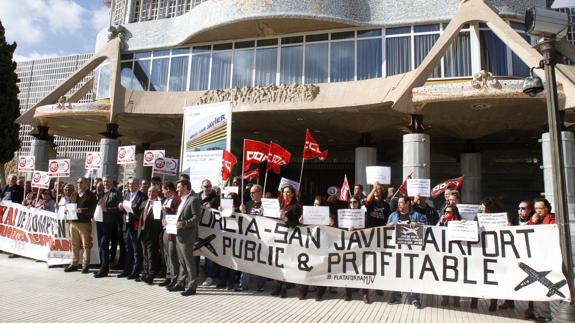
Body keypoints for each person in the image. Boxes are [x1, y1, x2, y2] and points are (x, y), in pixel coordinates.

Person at [387, 196, 427, 309]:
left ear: (408, 203)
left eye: (401, 202)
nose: (399, 205)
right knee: (396, 273)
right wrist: (389, 226)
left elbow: (428, 228)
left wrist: (418, 225)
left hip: (412, 251)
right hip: (396, 250)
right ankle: (396, 296)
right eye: (398, 203)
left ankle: (415, 298)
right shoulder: (393, 216)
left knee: (412, 274)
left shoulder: (417, 216)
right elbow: (384, 230)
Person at [168, 179, 202, 297]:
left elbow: (196, 218)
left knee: (189, 262)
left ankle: (192, 286)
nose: (177, 190)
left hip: (187, 235)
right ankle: (181, 282)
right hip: (178, 233)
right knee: (181, 261)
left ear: (185, 187)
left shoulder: (194, 199)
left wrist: (184, 223)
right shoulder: (183, 200)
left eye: (178, 187)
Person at [526, 198, 554, 322]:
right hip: (535, 257)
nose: (538, 211)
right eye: (536, 208)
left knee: (543, 286)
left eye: (540, 208)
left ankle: (544, 314)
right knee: (536, 287)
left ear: (547, 209)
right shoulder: (534, 220)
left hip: (546, 257)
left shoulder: (551, 220)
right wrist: (532, 222)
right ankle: (538, 313)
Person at [271, 185, 301, 298]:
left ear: (293, 194)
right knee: (278, 263)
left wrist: (285, 219)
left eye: (288, 192)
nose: (286, 194)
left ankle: (284, 288)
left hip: (288, 239)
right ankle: (278, 286)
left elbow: (294, 224)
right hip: (277, 237)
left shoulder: (295, 207)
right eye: (284, 192)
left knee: (285, 264)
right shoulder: (280, 205)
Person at [237, 184, 266, 292]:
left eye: (253, 192)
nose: (251, 195)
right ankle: (243, 284)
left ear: (260, 193)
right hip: (249, 237)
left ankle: (260, 285)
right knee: (246, 261)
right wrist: (242, 212)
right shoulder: (248, 204)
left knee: (261, 262)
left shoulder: (266, 205)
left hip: (263, 238)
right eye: (250, 193)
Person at [65, 178, 97, 273]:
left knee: (86, 245)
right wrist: (66, 210)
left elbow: (92, 210)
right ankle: (74, 263)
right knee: (74, 244)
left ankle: (85, 265)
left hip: (84, 223)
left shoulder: (91, 195)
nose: (79, 184)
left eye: (81, 182)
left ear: (86, 183)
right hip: (73, 222)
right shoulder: (74, 194)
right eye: (78, 182)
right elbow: (70, 205)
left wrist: (82, 210)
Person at [118, 177, 146, 280]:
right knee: (127, 248)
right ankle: (127, 269)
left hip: (135, 226)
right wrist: (121, 207)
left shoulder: (142, 196)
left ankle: (136, 271)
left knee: (136, 249)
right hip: (126, 224)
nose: (131, 186)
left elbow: (142, 213)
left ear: (138, 185)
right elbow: (124, 210)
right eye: (129, 184)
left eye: (133, 184)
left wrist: (133, 207)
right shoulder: (126, 195)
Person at [94, 176, 121, 278]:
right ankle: (102, 266)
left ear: (112, 182)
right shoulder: (101, 192)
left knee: (104, 244)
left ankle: (105, 269)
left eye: (108, 181)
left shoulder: (116, 193)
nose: (106, 183)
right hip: (100, 221)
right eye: (104, 181)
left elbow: (119, 209)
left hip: (109, 222)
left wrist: (108, 209)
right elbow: (97, 205)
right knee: (101, 245)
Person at [138, 186, 163, 284]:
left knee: (151, 254)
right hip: (143, 231)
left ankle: (151, 274)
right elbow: (138, 215)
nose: (151, 193)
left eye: (153, 192)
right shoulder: (144, 202)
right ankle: (145, 273)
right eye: (149, 191)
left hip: (152, 233)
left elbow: (158, 220)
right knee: (144, 254)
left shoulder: (158, 204)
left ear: (157, 193)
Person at [437, 205, 461, 307]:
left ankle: (456, 299)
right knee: (445, 277)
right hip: (445, 253)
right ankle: (445, 298)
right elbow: (435, 232)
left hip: (457, 253)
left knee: (457, 277)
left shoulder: (460, 222)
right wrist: (441, 223)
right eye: (445, 211)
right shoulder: (443, 222)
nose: (446, 214)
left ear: (454, 213)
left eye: (448, 212)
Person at [198, 179, 221, 287]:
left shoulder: (216, 198)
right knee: (196, 251)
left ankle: (209, 276)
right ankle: (195, 274)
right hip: (197, 230)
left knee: (209, 254)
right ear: (201, 187)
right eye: (206, 186)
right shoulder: (196, 197)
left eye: (209, 186)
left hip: (211, 231)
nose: (207, 188)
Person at [160, 182, 181, 288]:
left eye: (163, 189)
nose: (162, 192)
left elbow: (178, 213)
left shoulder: (177, 199)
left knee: (172, 254)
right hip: (165, 229)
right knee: (166, 254)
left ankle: (175, 278)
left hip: (172, 231)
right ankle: (168, 276)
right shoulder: (165, 200)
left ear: (168, 189)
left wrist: (167, 210)